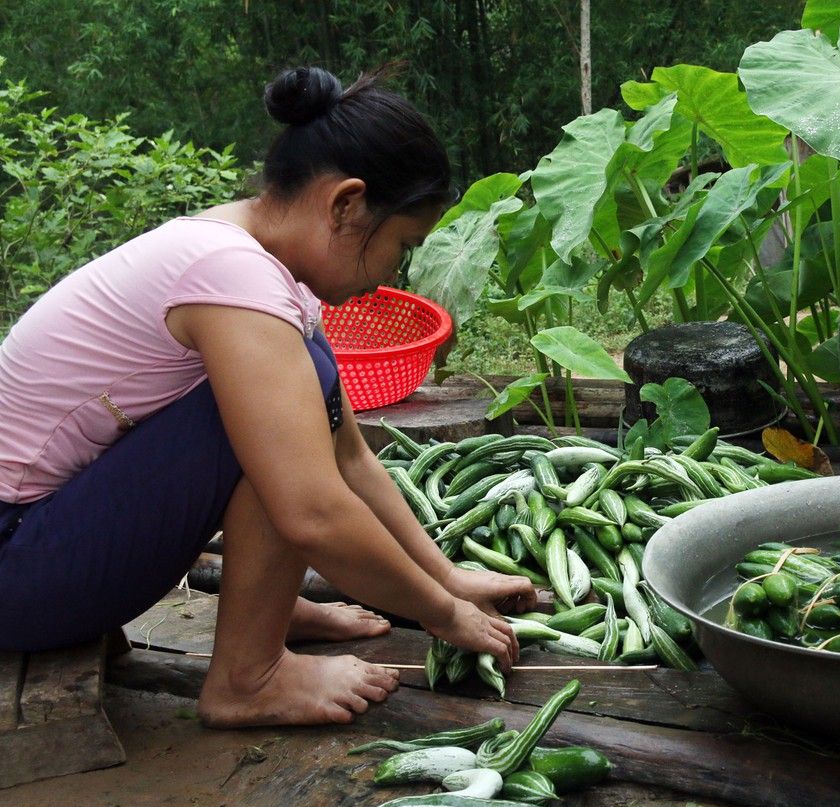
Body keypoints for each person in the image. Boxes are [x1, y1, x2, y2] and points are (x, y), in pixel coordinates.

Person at [0, 66, 537, 728]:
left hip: (41, 533)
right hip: (15, 562)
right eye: (401, 246)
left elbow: (350, 459)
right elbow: (312, 508)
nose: (391, 274)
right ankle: (248, 676)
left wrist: (448, 576)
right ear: (345, 204)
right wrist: (443, 614)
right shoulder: (230, 275)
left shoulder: (251, 259)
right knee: (281, 421)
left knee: (304, 382)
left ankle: (267, 609)